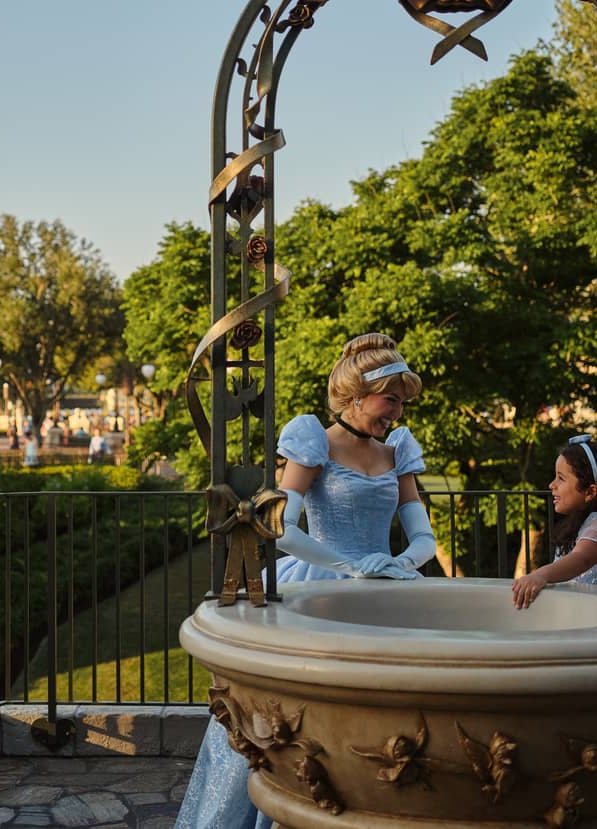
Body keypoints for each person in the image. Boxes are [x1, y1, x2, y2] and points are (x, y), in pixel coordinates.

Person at [175, 333, 438, 829]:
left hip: (383, 584)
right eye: (391, 400)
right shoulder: (314, 440)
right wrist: (350, 566)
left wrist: (402, 563)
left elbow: (423, 535)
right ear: (358, 394)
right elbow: (281, 527)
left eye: (401, 403)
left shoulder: (397, 451)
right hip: (319, 582)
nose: (397, 413)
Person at [511, 434, 597, 610]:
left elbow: (581, 559)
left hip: (594, 623)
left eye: (561, 478)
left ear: (590, 491)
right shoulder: (581, 524)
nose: (552, 485)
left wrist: (540, 575)